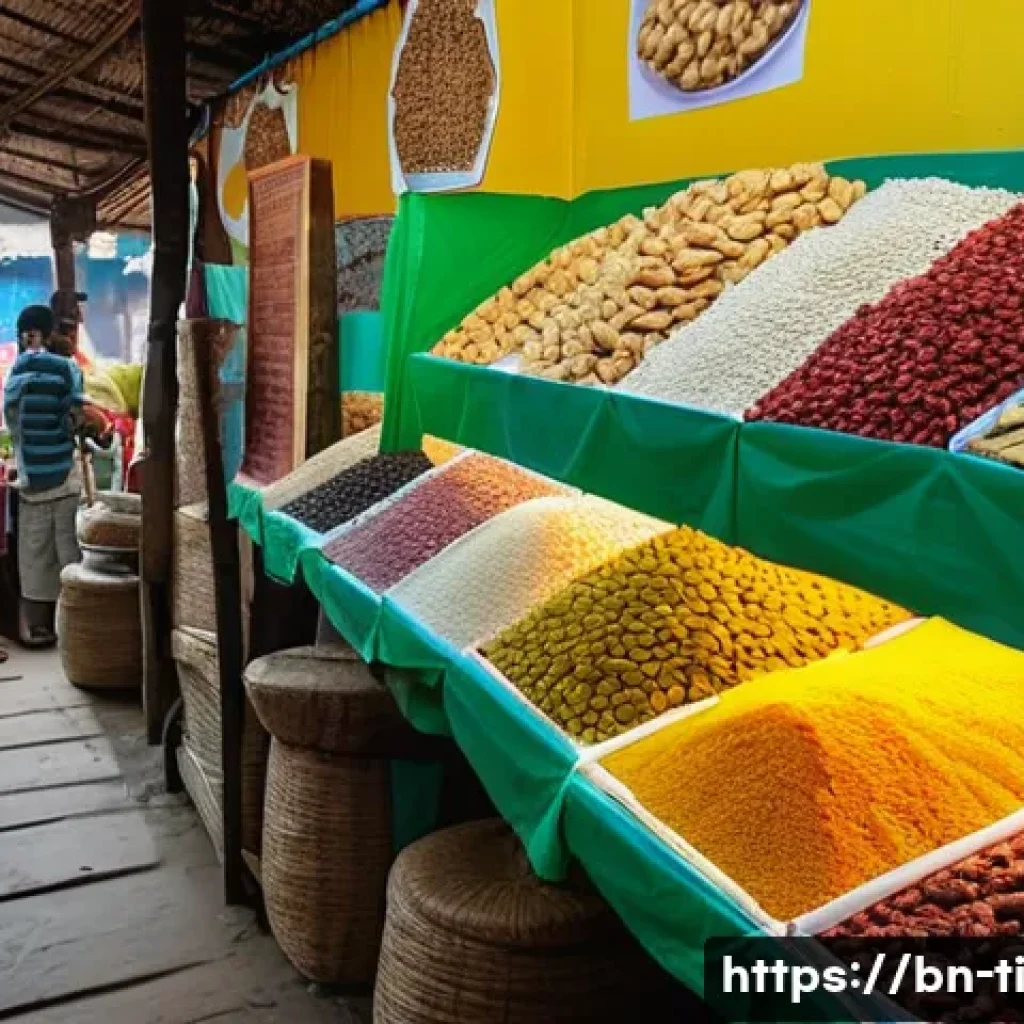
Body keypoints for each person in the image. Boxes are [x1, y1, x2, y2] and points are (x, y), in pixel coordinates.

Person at [4, 304, 85, 647]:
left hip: (31, 482)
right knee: (70, 556)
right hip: (64, 479)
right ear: (49, 333)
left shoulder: (15, 374)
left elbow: (13, 424)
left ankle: (37, 626)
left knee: (34, 557)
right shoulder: (67, 369)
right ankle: (74, 628)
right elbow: (76, 419)